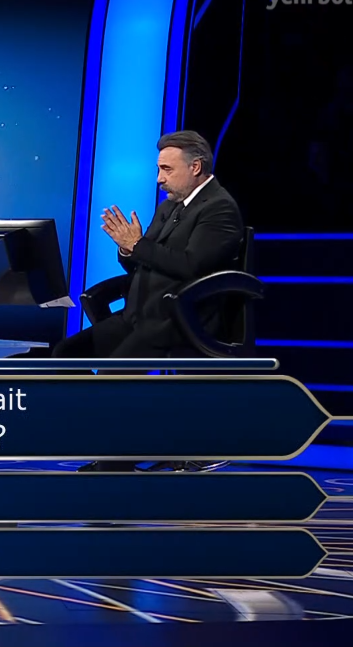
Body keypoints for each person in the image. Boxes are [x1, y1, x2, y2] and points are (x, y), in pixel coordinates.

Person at [53, 130, 243, 471]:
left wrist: (138, 245)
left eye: (167, 169)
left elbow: (192, 266)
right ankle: (121, 439)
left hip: (179, 321)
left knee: (114, 376)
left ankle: (115, 465)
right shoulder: (170, 207)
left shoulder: (219, 209)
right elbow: (145, 259)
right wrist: (128, 249)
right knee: (65, 355)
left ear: (196, 167)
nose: (159, 179)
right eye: (159, 169)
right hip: (140, 315)